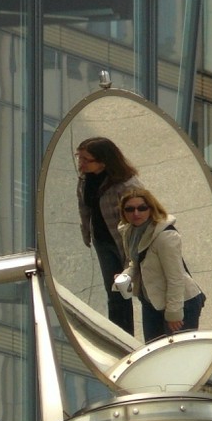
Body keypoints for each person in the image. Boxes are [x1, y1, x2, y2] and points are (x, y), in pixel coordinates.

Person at [117, 187, 205, 342]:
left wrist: (174, 313)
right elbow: (136, 263)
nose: (136, 213)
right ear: (123, 212)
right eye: (129, 209)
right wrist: (126, 276)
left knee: (178, 356)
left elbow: (175, 278)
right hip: (152, 302)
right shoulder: (130, 232)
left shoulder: (165, 236)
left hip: (180, 303)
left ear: (151, 209)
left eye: (142, 208)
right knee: (153, 352)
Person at [76, 137, 141, 335]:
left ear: (103, 161)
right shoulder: (85, 179)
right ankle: (121, 336)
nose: (81, 163)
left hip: (126, 243)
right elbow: (84, 207)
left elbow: (141, 216)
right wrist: (87, 232)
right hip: (103, 242)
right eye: (80, 157)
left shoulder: (126, 185)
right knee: (115, 292)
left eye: (87, 159)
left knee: (140, 289)